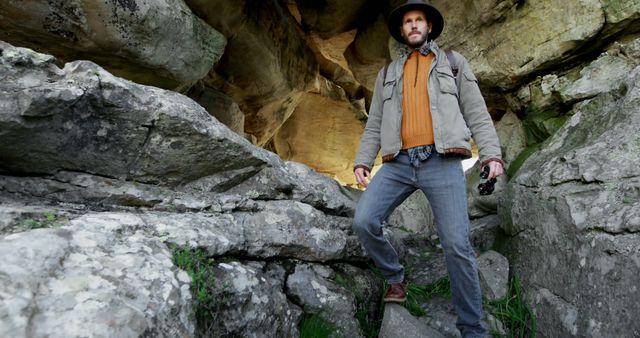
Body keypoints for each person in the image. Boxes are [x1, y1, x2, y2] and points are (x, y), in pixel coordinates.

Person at [351, 1, 504, 337]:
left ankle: (472, 328)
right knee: (364, 220)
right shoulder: (387, 73)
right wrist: (363, 161)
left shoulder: (453, 64)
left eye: (419, 20)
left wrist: (492, 155)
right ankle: (396, 277)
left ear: (429, 27)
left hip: (442, 160)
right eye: (408, 22)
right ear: (402, 32)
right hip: (399, 162)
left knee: (457, 245)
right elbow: (375, 123)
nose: (414, 25)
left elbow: (477, 112)